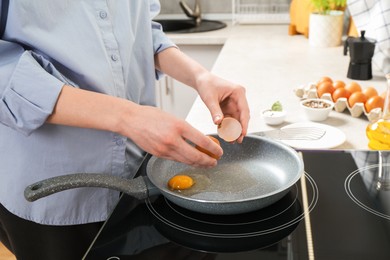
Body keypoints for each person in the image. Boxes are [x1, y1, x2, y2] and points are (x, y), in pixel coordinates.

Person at [0, 1, 250, 259]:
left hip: (135, 170)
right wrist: (128, 117)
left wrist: (199, 76)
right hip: (56, 189)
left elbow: (143, 32)